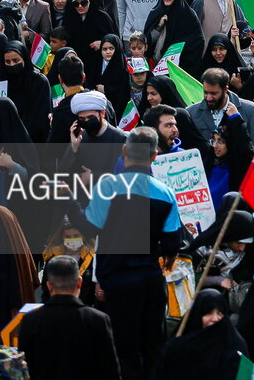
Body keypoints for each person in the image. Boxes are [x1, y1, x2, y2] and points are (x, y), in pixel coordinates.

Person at [68, 126, 186, 380]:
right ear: (154, 156)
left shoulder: (108, 186)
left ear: (124, 151)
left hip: (119, 285)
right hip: (152, 283)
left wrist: (71, 202)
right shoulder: (166, 193)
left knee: (124, 352)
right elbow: (172, 247)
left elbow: (90, 229)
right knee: (154, 347)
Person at [14, 256, 117, 380]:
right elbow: (110, 370)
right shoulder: (98, 320)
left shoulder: (30, 320)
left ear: (49, 286)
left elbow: (24, 369)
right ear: (79, 282)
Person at [155, 290, 247, 380]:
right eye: (209, 313)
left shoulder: (234, 347)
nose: (215, 318)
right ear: (198, 314)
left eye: (220, 313)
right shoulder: (179, 346)